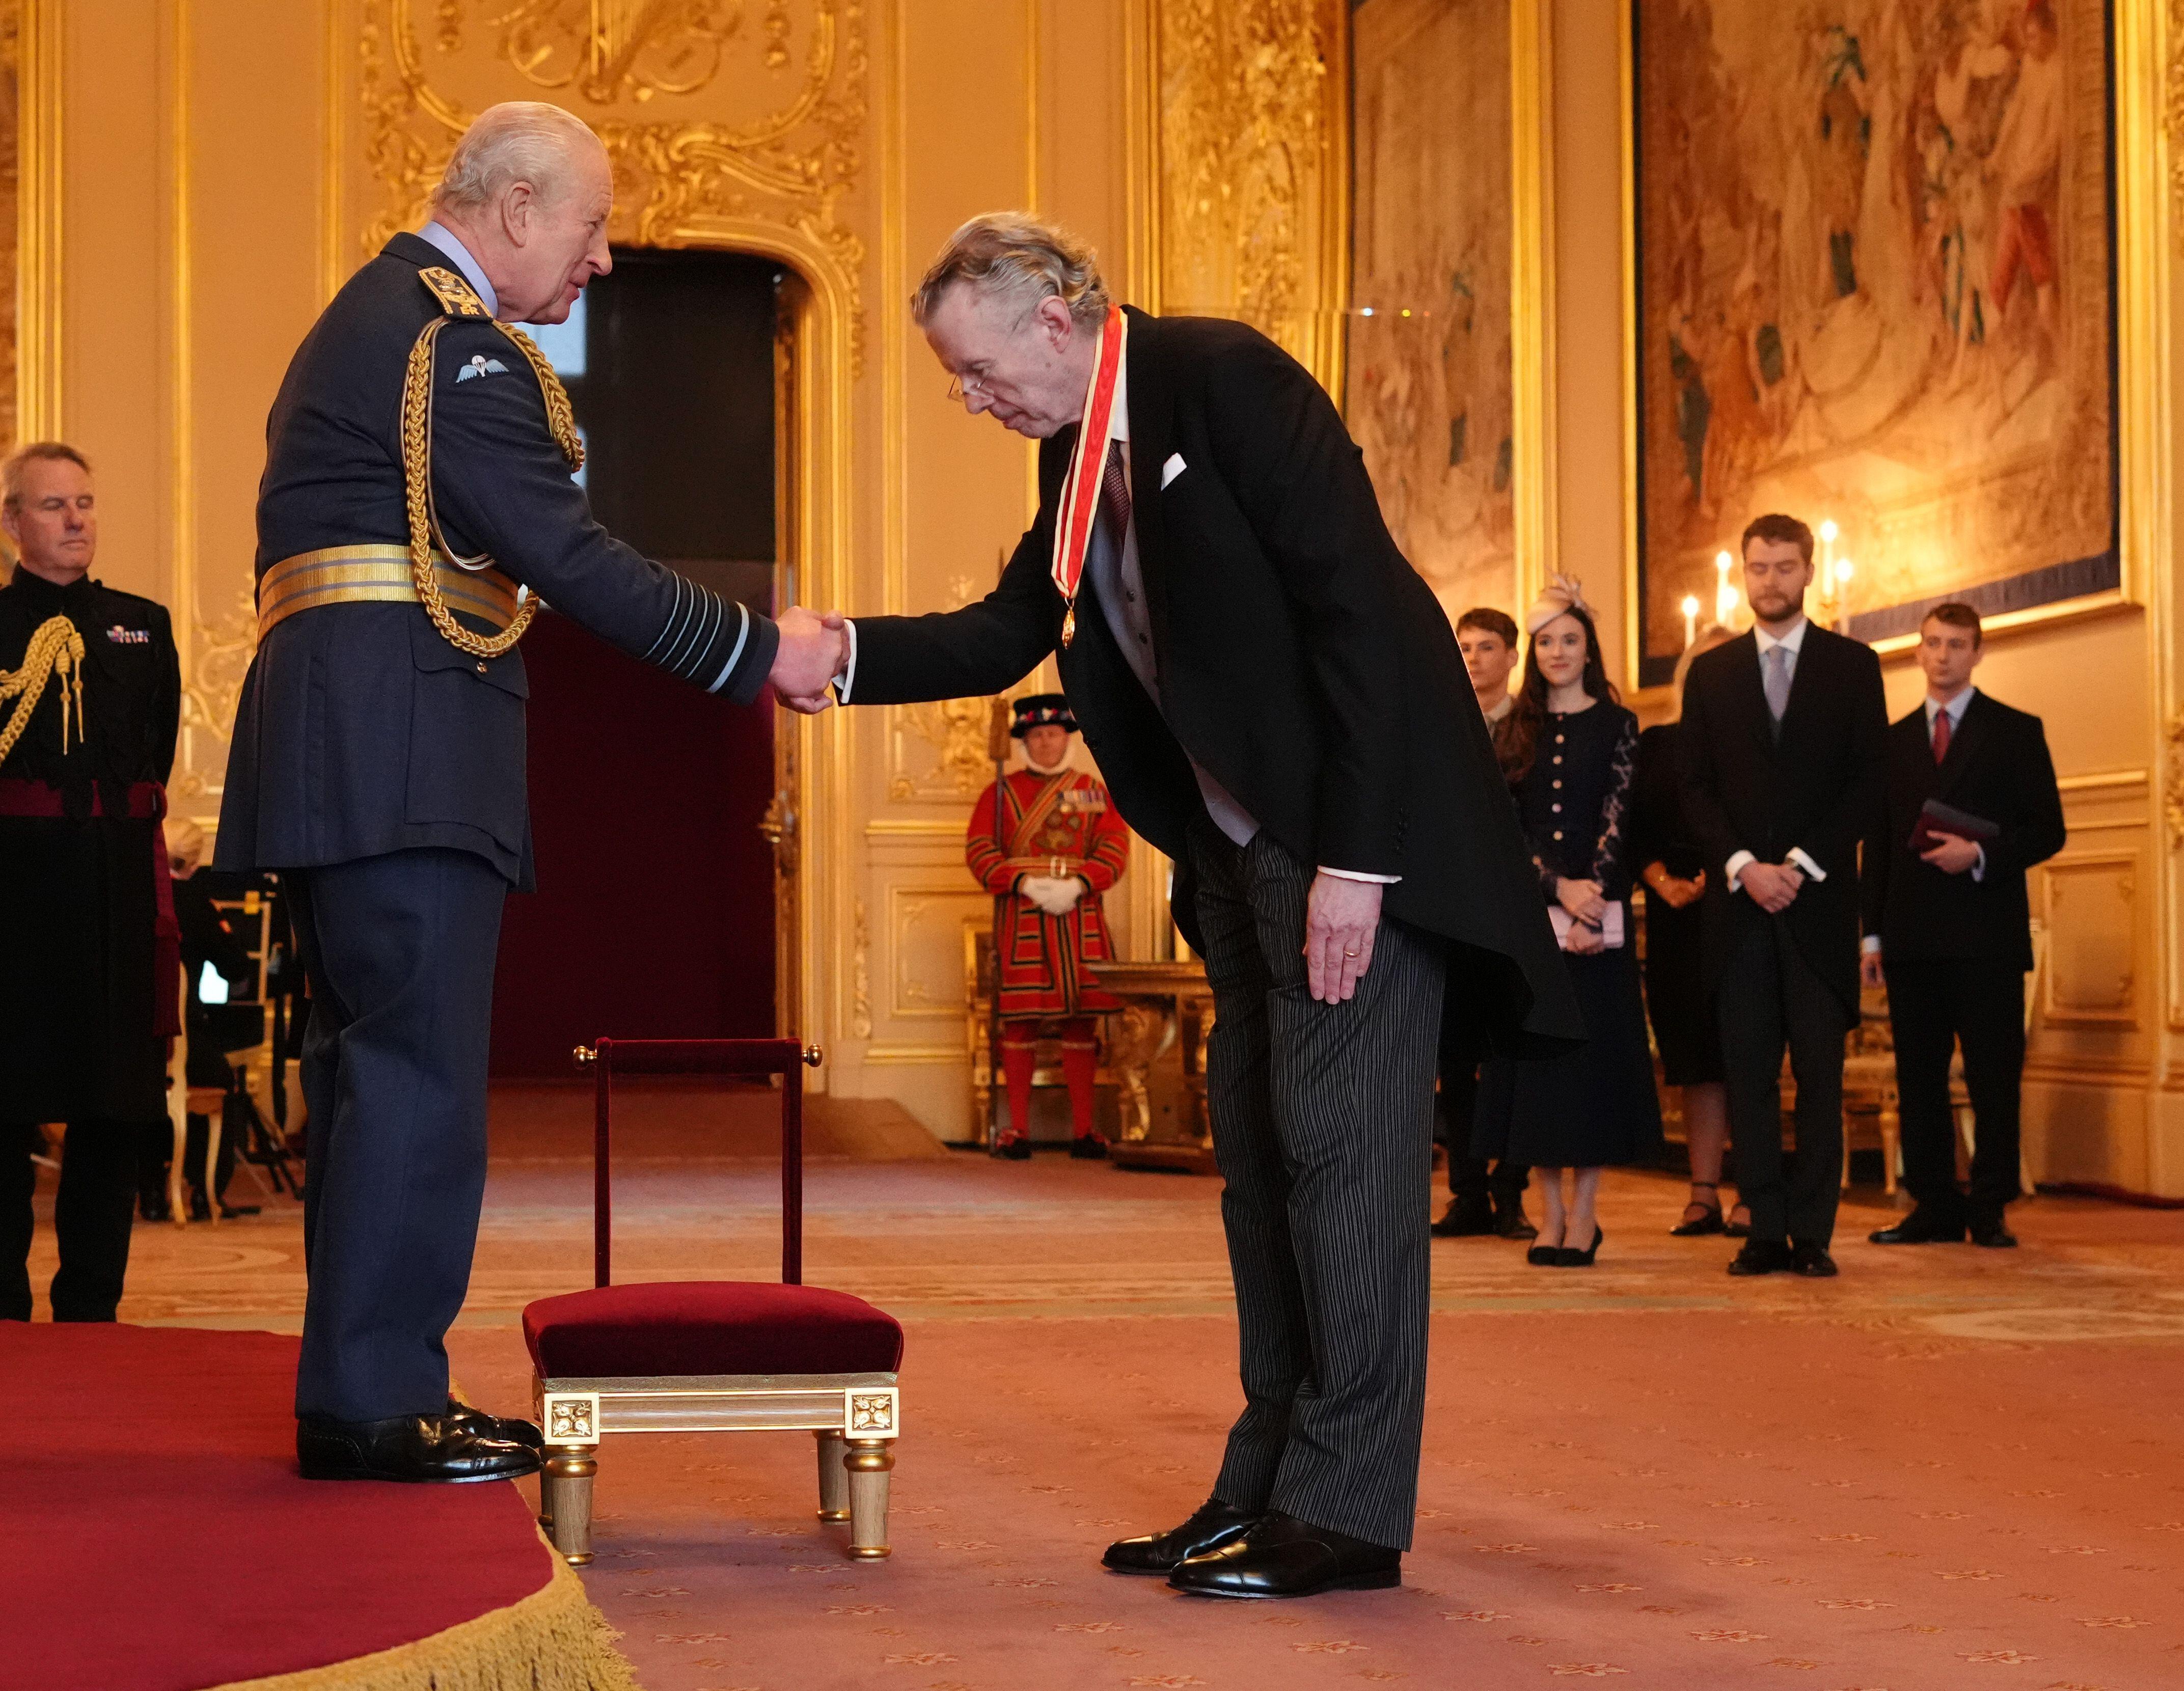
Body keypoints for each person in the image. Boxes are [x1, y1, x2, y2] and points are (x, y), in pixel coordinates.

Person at [791, 213, 1578, 1597]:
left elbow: (1366, 621)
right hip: (1231, 854)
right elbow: (1008, 633)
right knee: (1266, 1166)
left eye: (974, 370)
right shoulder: (1074, 450)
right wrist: (840, 655)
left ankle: (1346, 1512)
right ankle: (1267, 1482)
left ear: (1053, 318)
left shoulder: (1227, 381)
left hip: (1346, 845)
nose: (970, 401)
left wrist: (1359, 862)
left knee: (1347, 1162)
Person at [214, 102, 845, 1483]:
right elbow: (565, 551)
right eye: (592, 225)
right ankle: (381, 1406)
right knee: (415, 1081)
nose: (604, 258)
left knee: (370, 1075)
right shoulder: (454, 345)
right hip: (406, 753)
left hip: (349, 747)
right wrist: (756, 649)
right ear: (512, 213)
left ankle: (366, 1389)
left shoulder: (378, 321)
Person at [1679, 513, 1887, 1279]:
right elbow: (1693, 788)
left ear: (1808, 572)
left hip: (1818, 907)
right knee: (1751, 1076)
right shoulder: (1713, 673)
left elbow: (1870, 783)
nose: (1772, 581)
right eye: (1759, 568)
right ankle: (1764, 1227)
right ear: (1744, 574)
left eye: (1786, 566)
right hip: (1737, 912)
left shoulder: (1853, 665)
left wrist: (1799, 863)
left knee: (1819, 1082)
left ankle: (1814, 1235)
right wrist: (1742, 865)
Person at [0, 442, 180, 1323]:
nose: (76, 521)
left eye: (85, 503)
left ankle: (90, 1315)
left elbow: (159, 757)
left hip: (113, 900)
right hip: (12, 904)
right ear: (12, 523)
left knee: (111, 1115)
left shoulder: (145, 626)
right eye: (52, 506)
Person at [1861, 602, 2064, 1248]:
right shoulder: (1890, 743)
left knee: (1992, 1076)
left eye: (1956, 644)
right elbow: (1880, 845)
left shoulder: (2014, 731)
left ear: (1978, 652)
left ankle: (1988, 1205)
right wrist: (1871, 935)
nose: (1942, 655)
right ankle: (1934, 1205)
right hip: (1912, 937)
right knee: (1919, 1077)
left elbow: (2047, 830)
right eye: (1932, 643)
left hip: (1986, 937)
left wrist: (1978, 854)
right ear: (1917, 653)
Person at [1474, 579, 1661, 1267]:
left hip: (1601, 924)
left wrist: (1595, 896)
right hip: (1535, 927)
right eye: (1547, 641)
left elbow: (1620, 812)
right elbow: (1507, 827)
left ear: (1590, 650)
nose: (1558, 652)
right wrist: (1557, 889)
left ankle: (1585, 1214)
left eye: (1570, 640)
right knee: (1540, 1076)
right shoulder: (1515, 728)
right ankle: (1548, 1214)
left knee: (1593, 1070)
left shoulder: (1618, 724)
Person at [968, 693, 1129, 1159]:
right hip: (1024, 919)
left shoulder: (1096, 792)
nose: (1045, 744)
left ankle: (1085, 1131)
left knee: (1082, 1025)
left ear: (1067, 738)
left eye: (1053, 734)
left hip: (1081, 918)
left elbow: (1116, 849)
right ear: (1024, 741)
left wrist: (1080, 884)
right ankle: (1016, 1130)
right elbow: (979, 852)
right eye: (1036, 735)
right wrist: (1021, 882)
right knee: (1020, 1025)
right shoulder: (998, 794)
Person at [1632, 623, 1746, 1237]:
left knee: (1747, 1054)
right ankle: (1703, 1191)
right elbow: (1632, 826)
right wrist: (1660, 880)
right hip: (1677, 919)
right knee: (1696, 1059)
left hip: (1746, 910)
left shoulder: (1758, 744)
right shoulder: (1658, 745)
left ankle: (1754, 1189)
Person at [1433, 607, 1534, 1240]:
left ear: (1511, 655)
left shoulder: (1535, 728)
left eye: (1485, 646)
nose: (1472, 658)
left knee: (1514, 1059)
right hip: (1454, 916)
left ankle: (1511, 1193)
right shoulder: (1442, 723)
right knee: (1457, 1058)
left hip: (1521, 916)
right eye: (1464, 647)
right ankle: (1467, 1190)